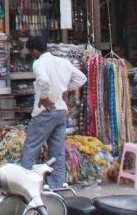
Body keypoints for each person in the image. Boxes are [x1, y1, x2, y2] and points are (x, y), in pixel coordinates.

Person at [20, 36, 87, 190]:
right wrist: (65, 89)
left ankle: (25, 185)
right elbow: (81, 79)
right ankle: (57, 188)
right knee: (57, 153)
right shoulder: (63, 62)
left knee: (31, 148)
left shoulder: (39, 64)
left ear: (35, 51)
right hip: (60, 112)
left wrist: (44, 97)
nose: (31, 55)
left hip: (45, 111)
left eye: (31, 52)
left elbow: (43, 81)